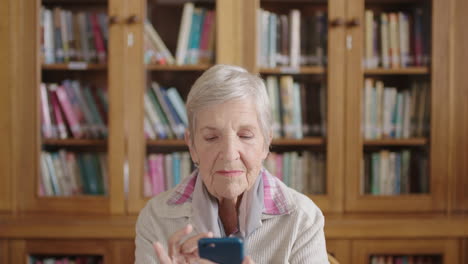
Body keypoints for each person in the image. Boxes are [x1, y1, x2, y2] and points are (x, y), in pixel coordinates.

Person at [135, 64, 329, 264]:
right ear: (192, 146)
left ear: (266, 143)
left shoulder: (302, 219)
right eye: (211, 137)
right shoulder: (156, 217)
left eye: (245, 136)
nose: (229, 154)